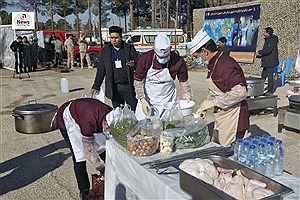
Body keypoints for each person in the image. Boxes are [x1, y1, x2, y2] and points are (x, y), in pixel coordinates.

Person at [187, 29, 249, 147]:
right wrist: (208, 102)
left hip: (234, 116)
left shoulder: (225, 64)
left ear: (205, 51)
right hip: (223, 115)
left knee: (229, 154)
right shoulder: (213, 63)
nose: (198, 60)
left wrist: (215, 102)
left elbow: (241, 92)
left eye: (197, 56)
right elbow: (218, 88)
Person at [56, 98, 112, 198]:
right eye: (108, 128)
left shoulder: (110, 113)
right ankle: (84, 190)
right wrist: (101, 168)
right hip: (69, 119)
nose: (108, 131)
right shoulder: (88, 125)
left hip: (84, 112)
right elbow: (89, 151)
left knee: (102, 146)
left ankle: (110, 176)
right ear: (105, 122)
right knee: (79, 155)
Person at [134, 33, 192, 116]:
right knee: (144, 126)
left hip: (168, 100)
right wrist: (142, 99)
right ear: (154, 49)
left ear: (170, 50)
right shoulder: (145, 59)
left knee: (168, 126)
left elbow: (183, 80)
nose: (162, 60)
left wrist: (187, 94)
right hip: (148, 100)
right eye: (160, 57)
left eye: (165, 57)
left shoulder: (177, 61)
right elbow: (138, 80)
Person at [91, 26, 138, 111]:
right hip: (114, 87)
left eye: (116, 37)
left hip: (128, 86)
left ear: (121, 37)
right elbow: (101, 70)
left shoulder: (129, 49)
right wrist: (96, 85)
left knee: (133, 110)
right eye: (112, 38)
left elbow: (138, 62)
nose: (114, 40)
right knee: (118, 112)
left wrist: (134, 64)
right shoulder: (105, 51)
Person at [256, 27, 279, 95]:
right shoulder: (268, 40)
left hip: (270, 62)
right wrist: (259, 56)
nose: (263, 33)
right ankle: (259, 89)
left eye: (264, 32)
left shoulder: (271, 40)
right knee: (263, 76)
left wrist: (259, 52)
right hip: (266, 61)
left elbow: (268, 51)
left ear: (267, 33)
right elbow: (266, 52)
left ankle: (270, 91)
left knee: (270, 77)